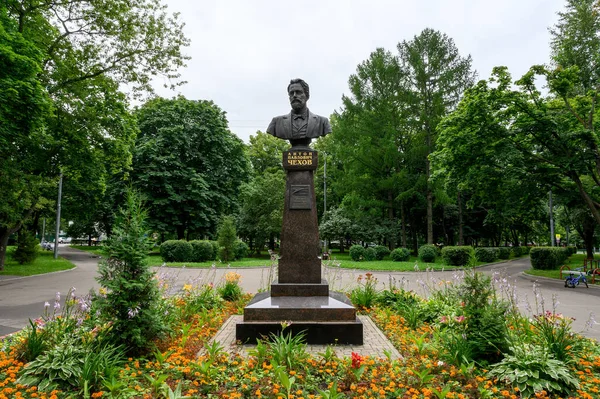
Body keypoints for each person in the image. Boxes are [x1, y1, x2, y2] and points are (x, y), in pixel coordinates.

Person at [267, 78, 331, 146]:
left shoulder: (322, 122)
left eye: (298, 92)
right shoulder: (276, 122)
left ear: (307, 96)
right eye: (291, 93)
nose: (294, 96)